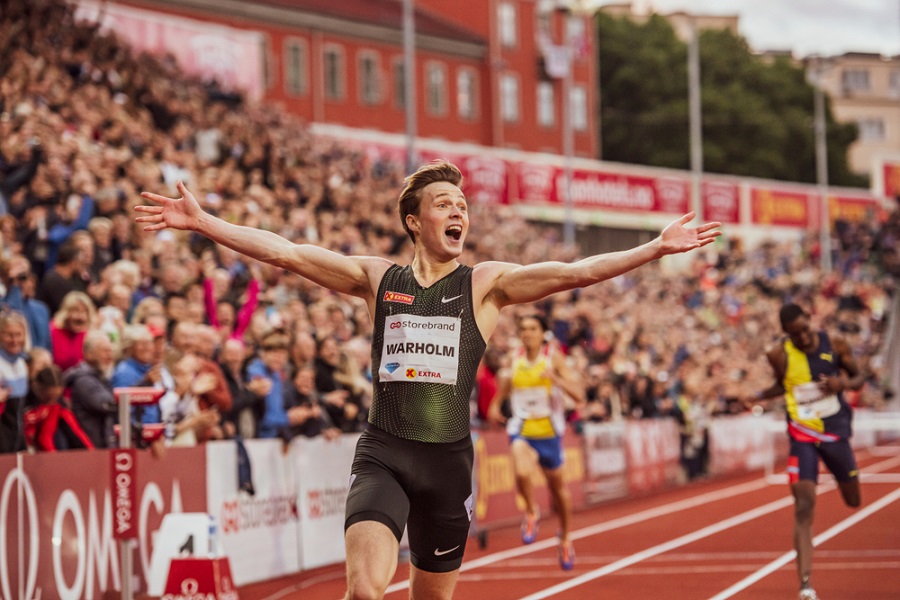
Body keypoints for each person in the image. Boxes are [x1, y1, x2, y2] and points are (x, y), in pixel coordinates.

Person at [137, 161, 720, 599]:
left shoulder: (485, 285)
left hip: (448, 465)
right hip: (384, 454)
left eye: (463, 204)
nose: (459, 211)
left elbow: (576, 272)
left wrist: (654, 249)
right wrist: (205, 223)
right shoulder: (377, 279)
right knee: (364, 591)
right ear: (415, 222)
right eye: (445, 203)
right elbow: (287, 253)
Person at [742, 303, 865, 600]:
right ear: (786, 333)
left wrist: (842, 383)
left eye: (805, 330)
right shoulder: (778, 354)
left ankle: (843, 476)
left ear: (810, 320)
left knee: (853, 500)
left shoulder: (835, 344)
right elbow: (782, 385)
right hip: (802, 435)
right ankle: (805, 586)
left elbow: (859, 377)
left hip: (835, 432)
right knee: (804, 504)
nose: (803, 338)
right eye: (795, 335)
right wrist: (757, 396)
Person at [488, 314, 585, 570]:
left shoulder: (553, 358)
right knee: (521, 471)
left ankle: (565, 537)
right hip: (522, 429)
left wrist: (556, 379)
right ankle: (532, 511)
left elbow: (579, 395)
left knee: (558, 491)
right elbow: (505, 386)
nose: (527, 333)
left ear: (543, 333)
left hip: (549, 433)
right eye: (524, 329)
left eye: (533, 329)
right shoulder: (514, 358)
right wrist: (496, 405)